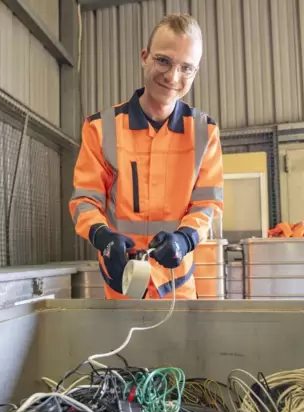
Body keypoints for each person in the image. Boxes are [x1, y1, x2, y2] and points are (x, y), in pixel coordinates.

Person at [69, 13, 223, 299]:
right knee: (123, 344)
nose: (173, 76)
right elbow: (85, 201)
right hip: (122, 279)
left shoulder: (205, 133)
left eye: (186, 68)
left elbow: (207, 205)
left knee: (178, 346)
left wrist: (184, 239)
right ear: (144, 56)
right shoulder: (100, 128)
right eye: (163, 60)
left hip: (177, 284)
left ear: (195, 71)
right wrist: (102, 237)